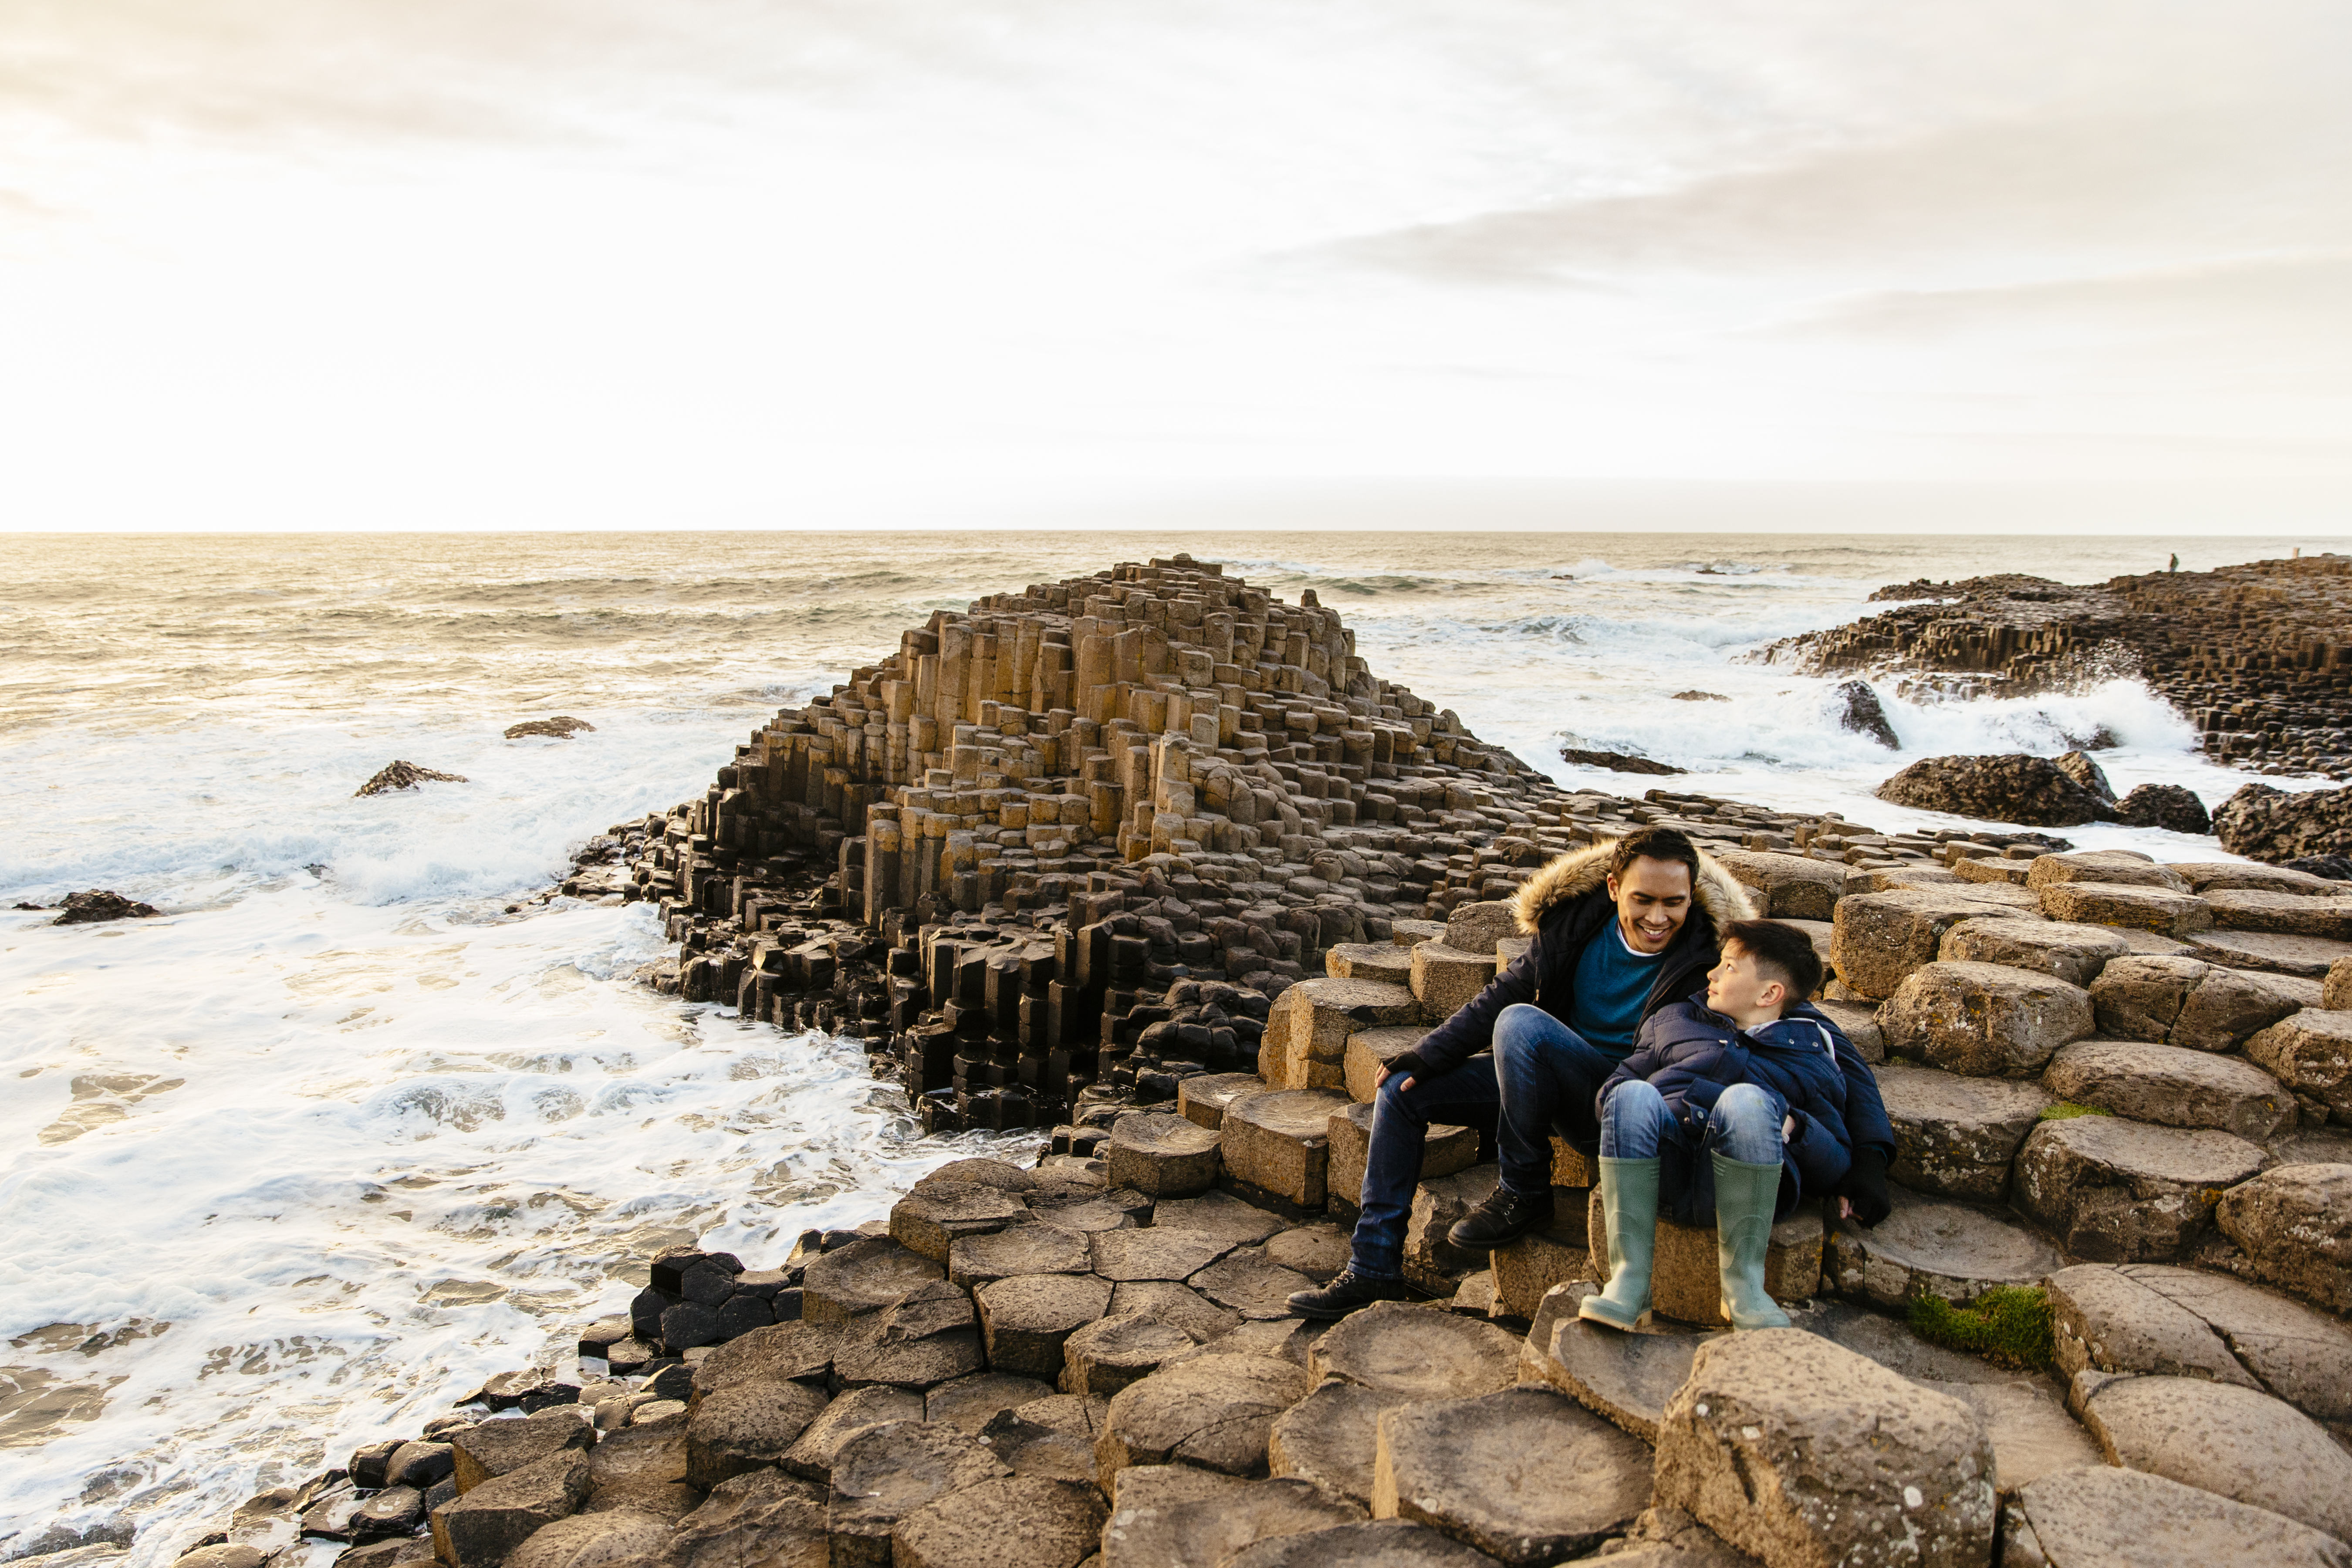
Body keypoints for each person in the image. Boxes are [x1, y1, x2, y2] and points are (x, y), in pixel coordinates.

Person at [1289, 826, 1750, 1319]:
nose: (1658, 918)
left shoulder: (1711, 958)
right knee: (1403, 1091)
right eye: (1643, 899)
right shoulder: (1576, 924)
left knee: (1523, 1026)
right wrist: (1428, 1054)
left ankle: (1525, 1190)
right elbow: (1507, 990)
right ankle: (1372, 1269)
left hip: (1620, 1109)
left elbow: (1767, 1039)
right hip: (1544, 1081)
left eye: (1673, 903)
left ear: (1691, 898)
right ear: (1614, 888)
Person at [1580, 918, 1858, 1331]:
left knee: (1747, 1100)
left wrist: (1792, 1124)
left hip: (1741, 1184)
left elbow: (1835, 1161)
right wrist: (1652, 1105)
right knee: (1633, 1095)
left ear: (1770, 993)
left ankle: (1744, 1288)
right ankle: (1629, 1283)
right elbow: (1613, 1093)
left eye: (1728, 967)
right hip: (1662, 1169)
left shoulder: (1811, 1060)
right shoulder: (1673, 1020)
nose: (1711, 973)